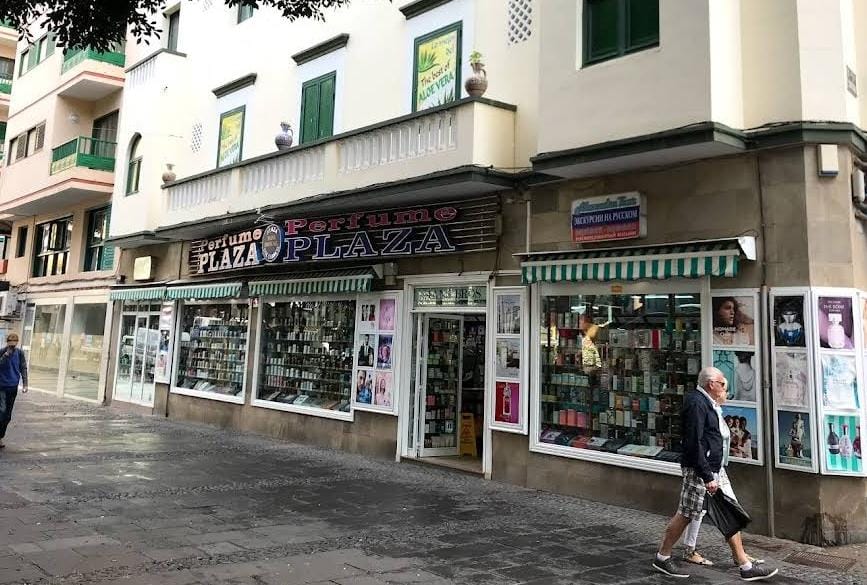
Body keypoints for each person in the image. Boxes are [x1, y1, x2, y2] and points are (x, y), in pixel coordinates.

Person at [653, 367, 777, 581]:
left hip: (714, 467)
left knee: (727, 511)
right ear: (711, 384)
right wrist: (707, 475)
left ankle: (744, 564)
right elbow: (694, 442)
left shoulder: (707, 403)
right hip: (702, 469)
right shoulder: (696, 404)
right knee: (686, 513)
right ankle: (662, 557)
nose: (725, 389)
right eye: (723, 384)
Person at [0, 333, 28, 449]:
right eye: (10, 342)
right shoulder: (2, 351)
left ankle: (0, 436)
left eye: (15, 341)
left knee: (8, 415)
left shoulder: (20, 353)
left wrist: (25, 384)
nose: (12, 344)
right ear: (7, 342)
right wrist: (5, 355)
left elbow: (23, 367)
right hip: (1, 386)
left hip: (13, 387)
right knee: (2, 411)